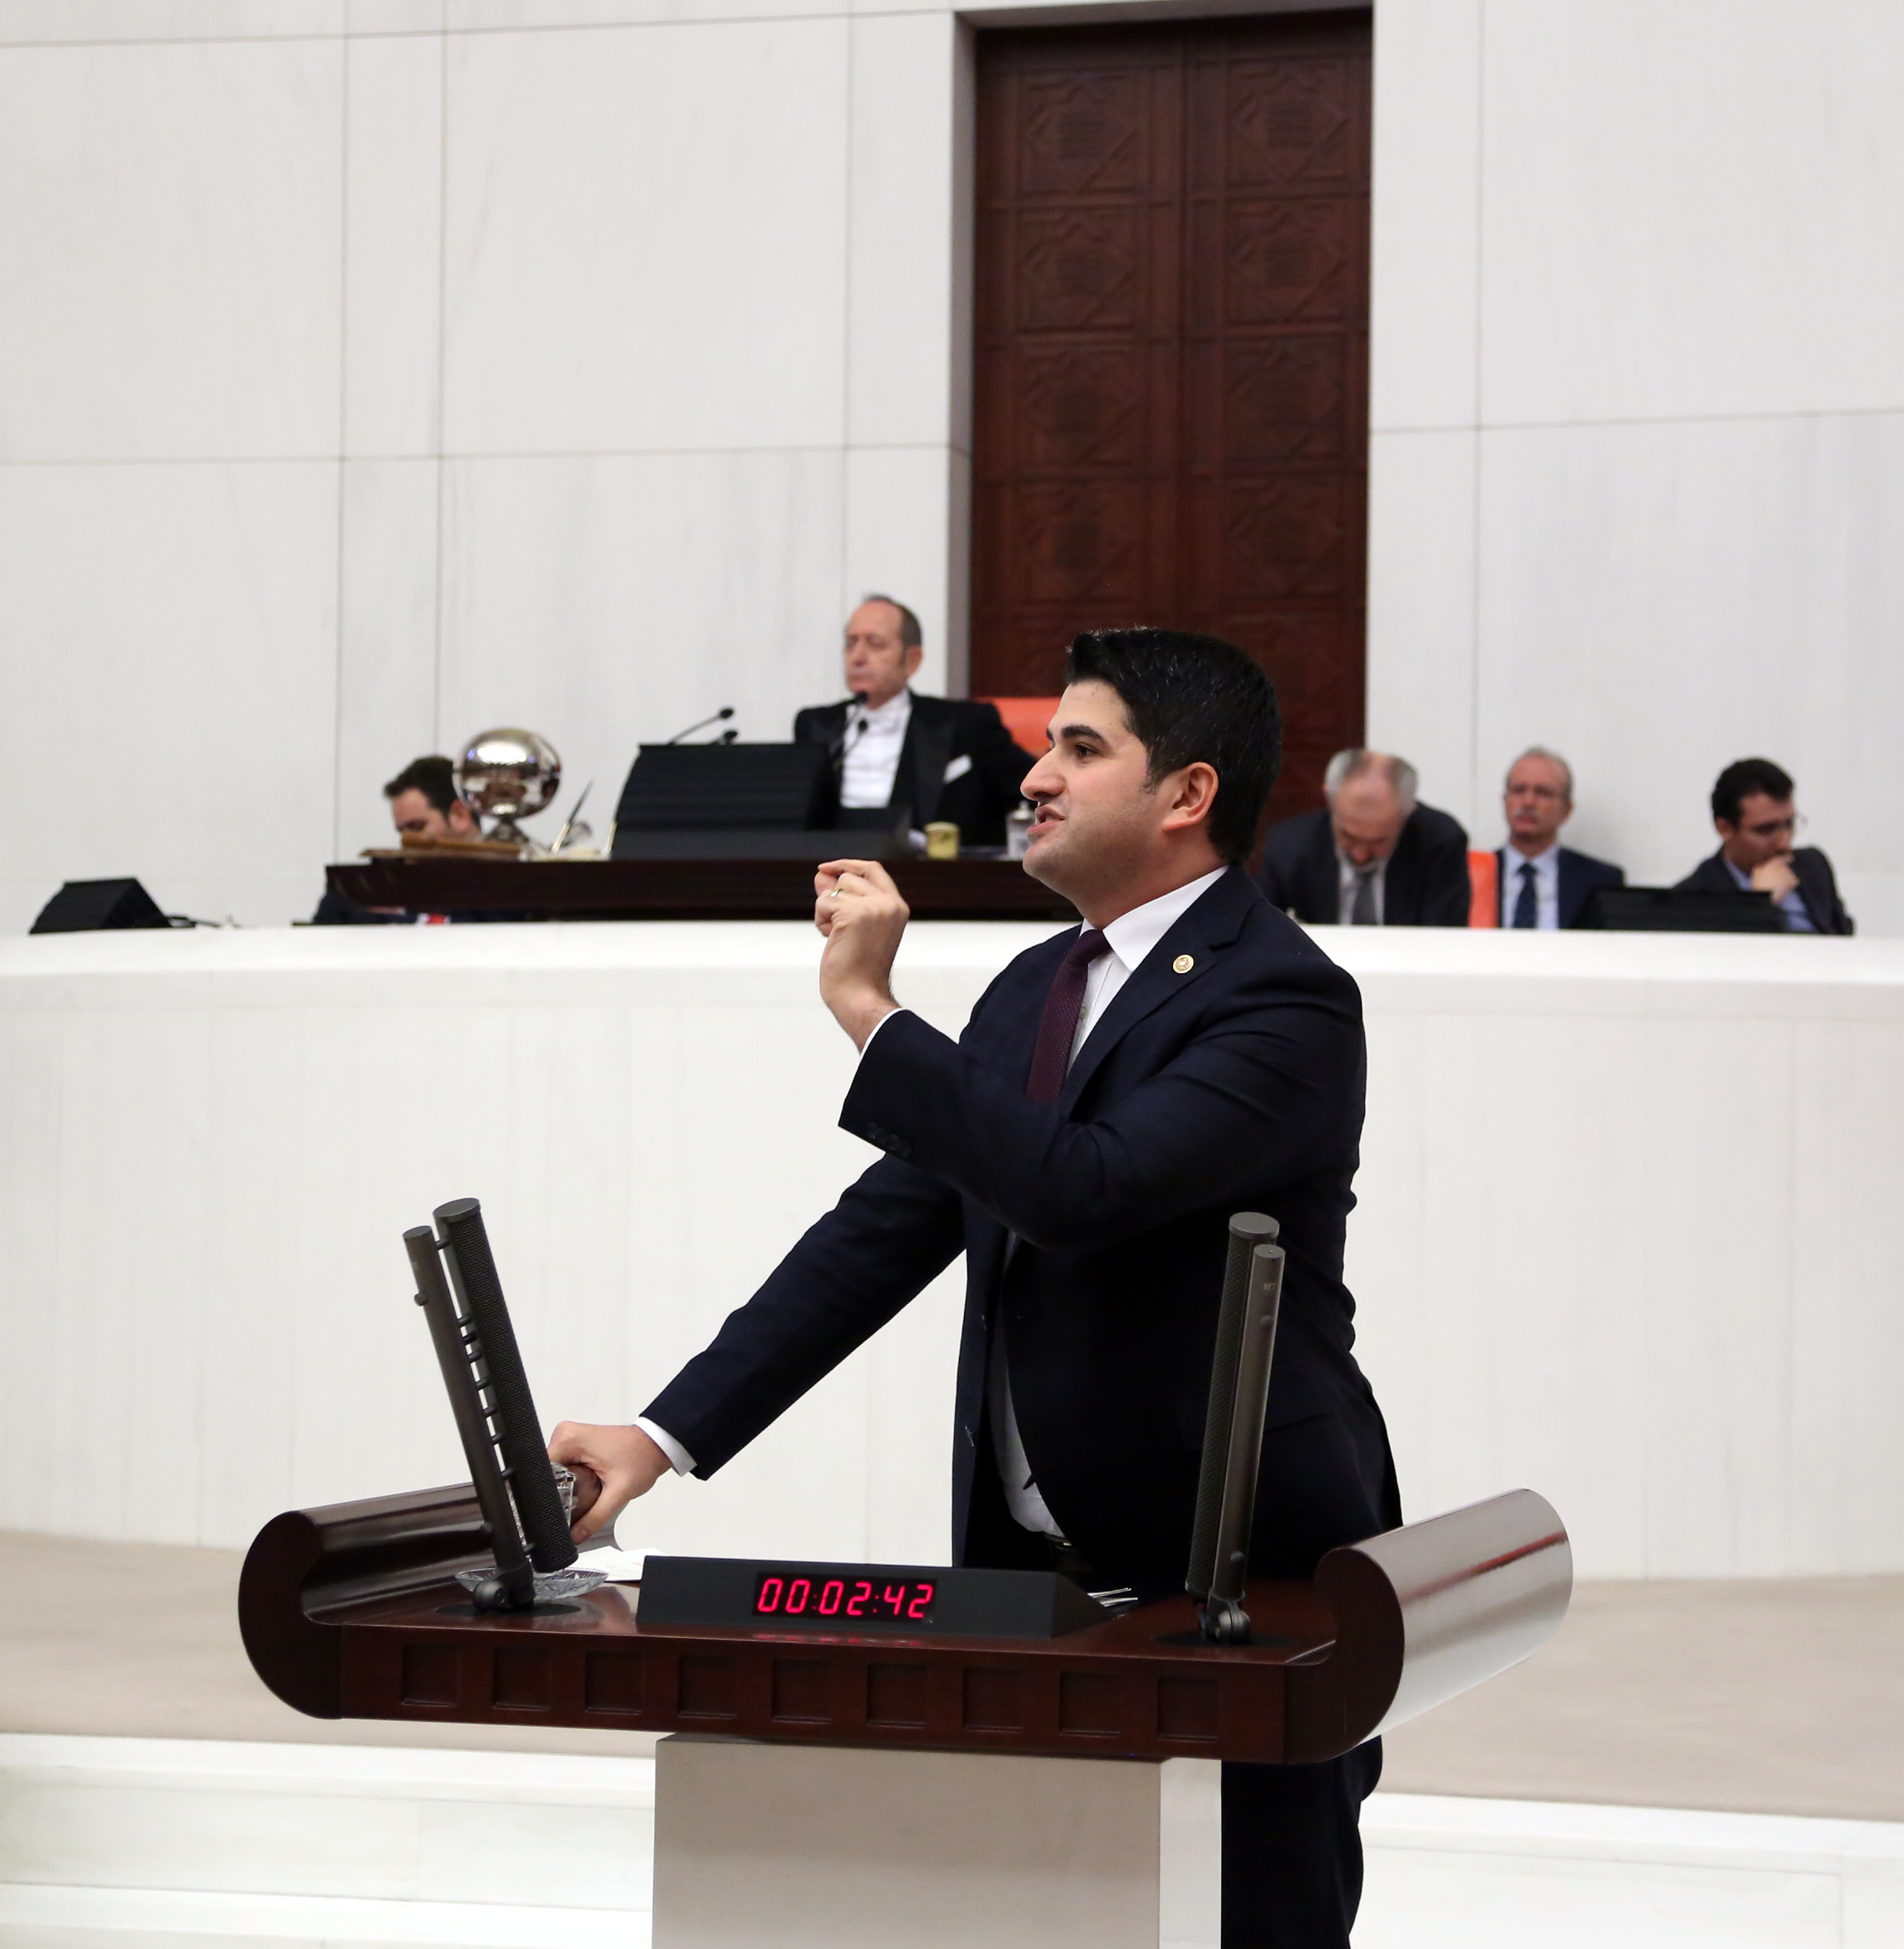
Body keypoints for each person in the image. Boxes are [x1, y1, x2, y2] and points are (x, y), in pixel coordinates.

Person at [551, 628, 1398, 1947]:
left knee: (1253, 1914)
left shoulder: (1285, 998)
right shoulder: (1035, 985)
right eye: (1046, 745)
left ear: (1187, 793)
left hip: (1241, 1573)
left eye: (1080, 748)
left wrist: (871, 1011)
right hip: (1030, 1579)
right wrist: (661, 1437)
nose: (1035, 777)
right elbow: (884, 1233)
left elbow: (1086, 1190)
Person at [793, 596, 1028, 847]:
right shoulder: (814, 725)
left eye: (875, 644)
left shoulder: (967, 723)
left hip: (925, 867)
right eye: (851, 644)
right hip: (829, 861)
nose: (857, 657)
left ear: (912, 660)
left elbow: (1031, 791)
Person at [1254, 749, 1472, 925]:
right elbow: (1261, 932)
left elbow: (1444, 941)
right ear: (1329, 801)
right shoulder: (1288, 847)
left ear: (1408, 814)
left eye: (1378, 841)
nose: (1360, 855)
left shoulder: (1440, 843)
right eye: (1348, 836)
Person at [1674, 756, 1853, 934]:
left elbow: (1844, 935)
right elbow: (1727, 949)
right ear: (1725, 828)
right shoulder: (1694, 896)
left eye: (1789, 824)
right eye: (1766, 830)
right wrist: (1761, 903)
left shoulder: (1813, 865)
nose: (1784, 843)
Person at [310, 756, 483, 924]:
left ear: (460, 815)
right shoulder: (361, 892)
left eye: (417, 827)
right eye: (402, 831)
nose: (405, 841)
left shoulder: (497, 890)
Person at [1490, 747, 1622, 928]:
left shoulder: (1600, 880)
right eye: (1519, 790)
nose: (1528, 802)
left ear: (1566, 810)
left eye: (1543, 793)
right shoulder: (1472, 874)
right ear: (1505, 800)